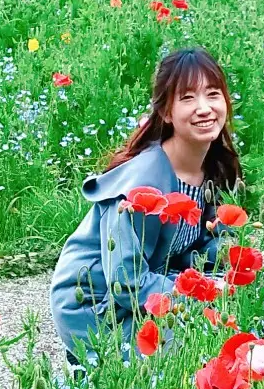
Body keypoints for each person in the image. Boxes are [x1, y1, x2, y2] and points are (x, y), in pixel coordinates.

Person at [51, 46, 241, 358]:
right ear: (166, 112)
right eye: (188, 98)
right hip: (99, 307)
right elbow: (124, 281)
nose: (204, 108)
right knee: (200, 342)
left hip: (153, 286)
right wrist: (202, 295)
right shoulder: (142, 186)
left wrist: (234, 262)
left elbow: (199, 242)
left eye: (213, 94)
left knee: (254, 302)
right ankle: (88, 365)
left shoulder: (209, 168)